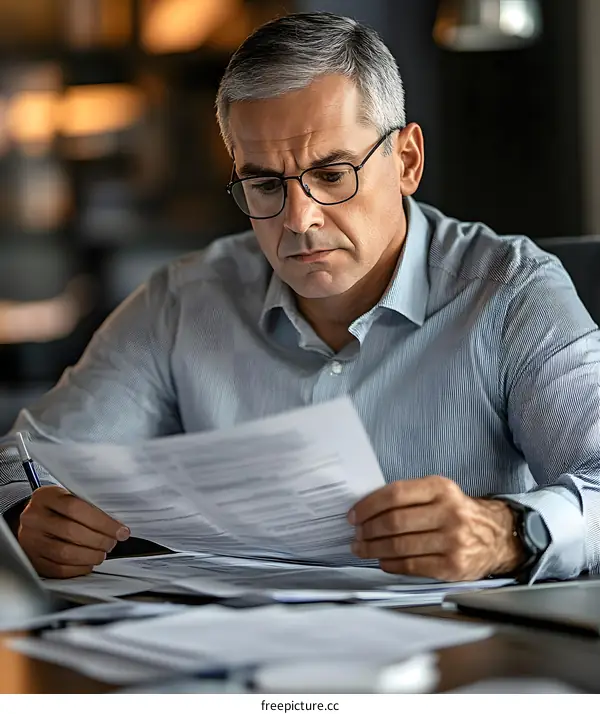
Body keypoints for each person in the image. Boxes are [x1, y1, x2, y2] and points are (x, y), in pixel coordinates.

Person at [1, 11, 598, 582]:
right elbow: (20, 462)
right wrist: (29, 517)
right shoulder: (183, 302)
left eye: (333, 174)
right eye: (264, 184)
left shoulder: (513, 292)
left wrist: (507, 532)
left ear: (407, 160)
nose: (300, 218)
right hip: (228, 663)